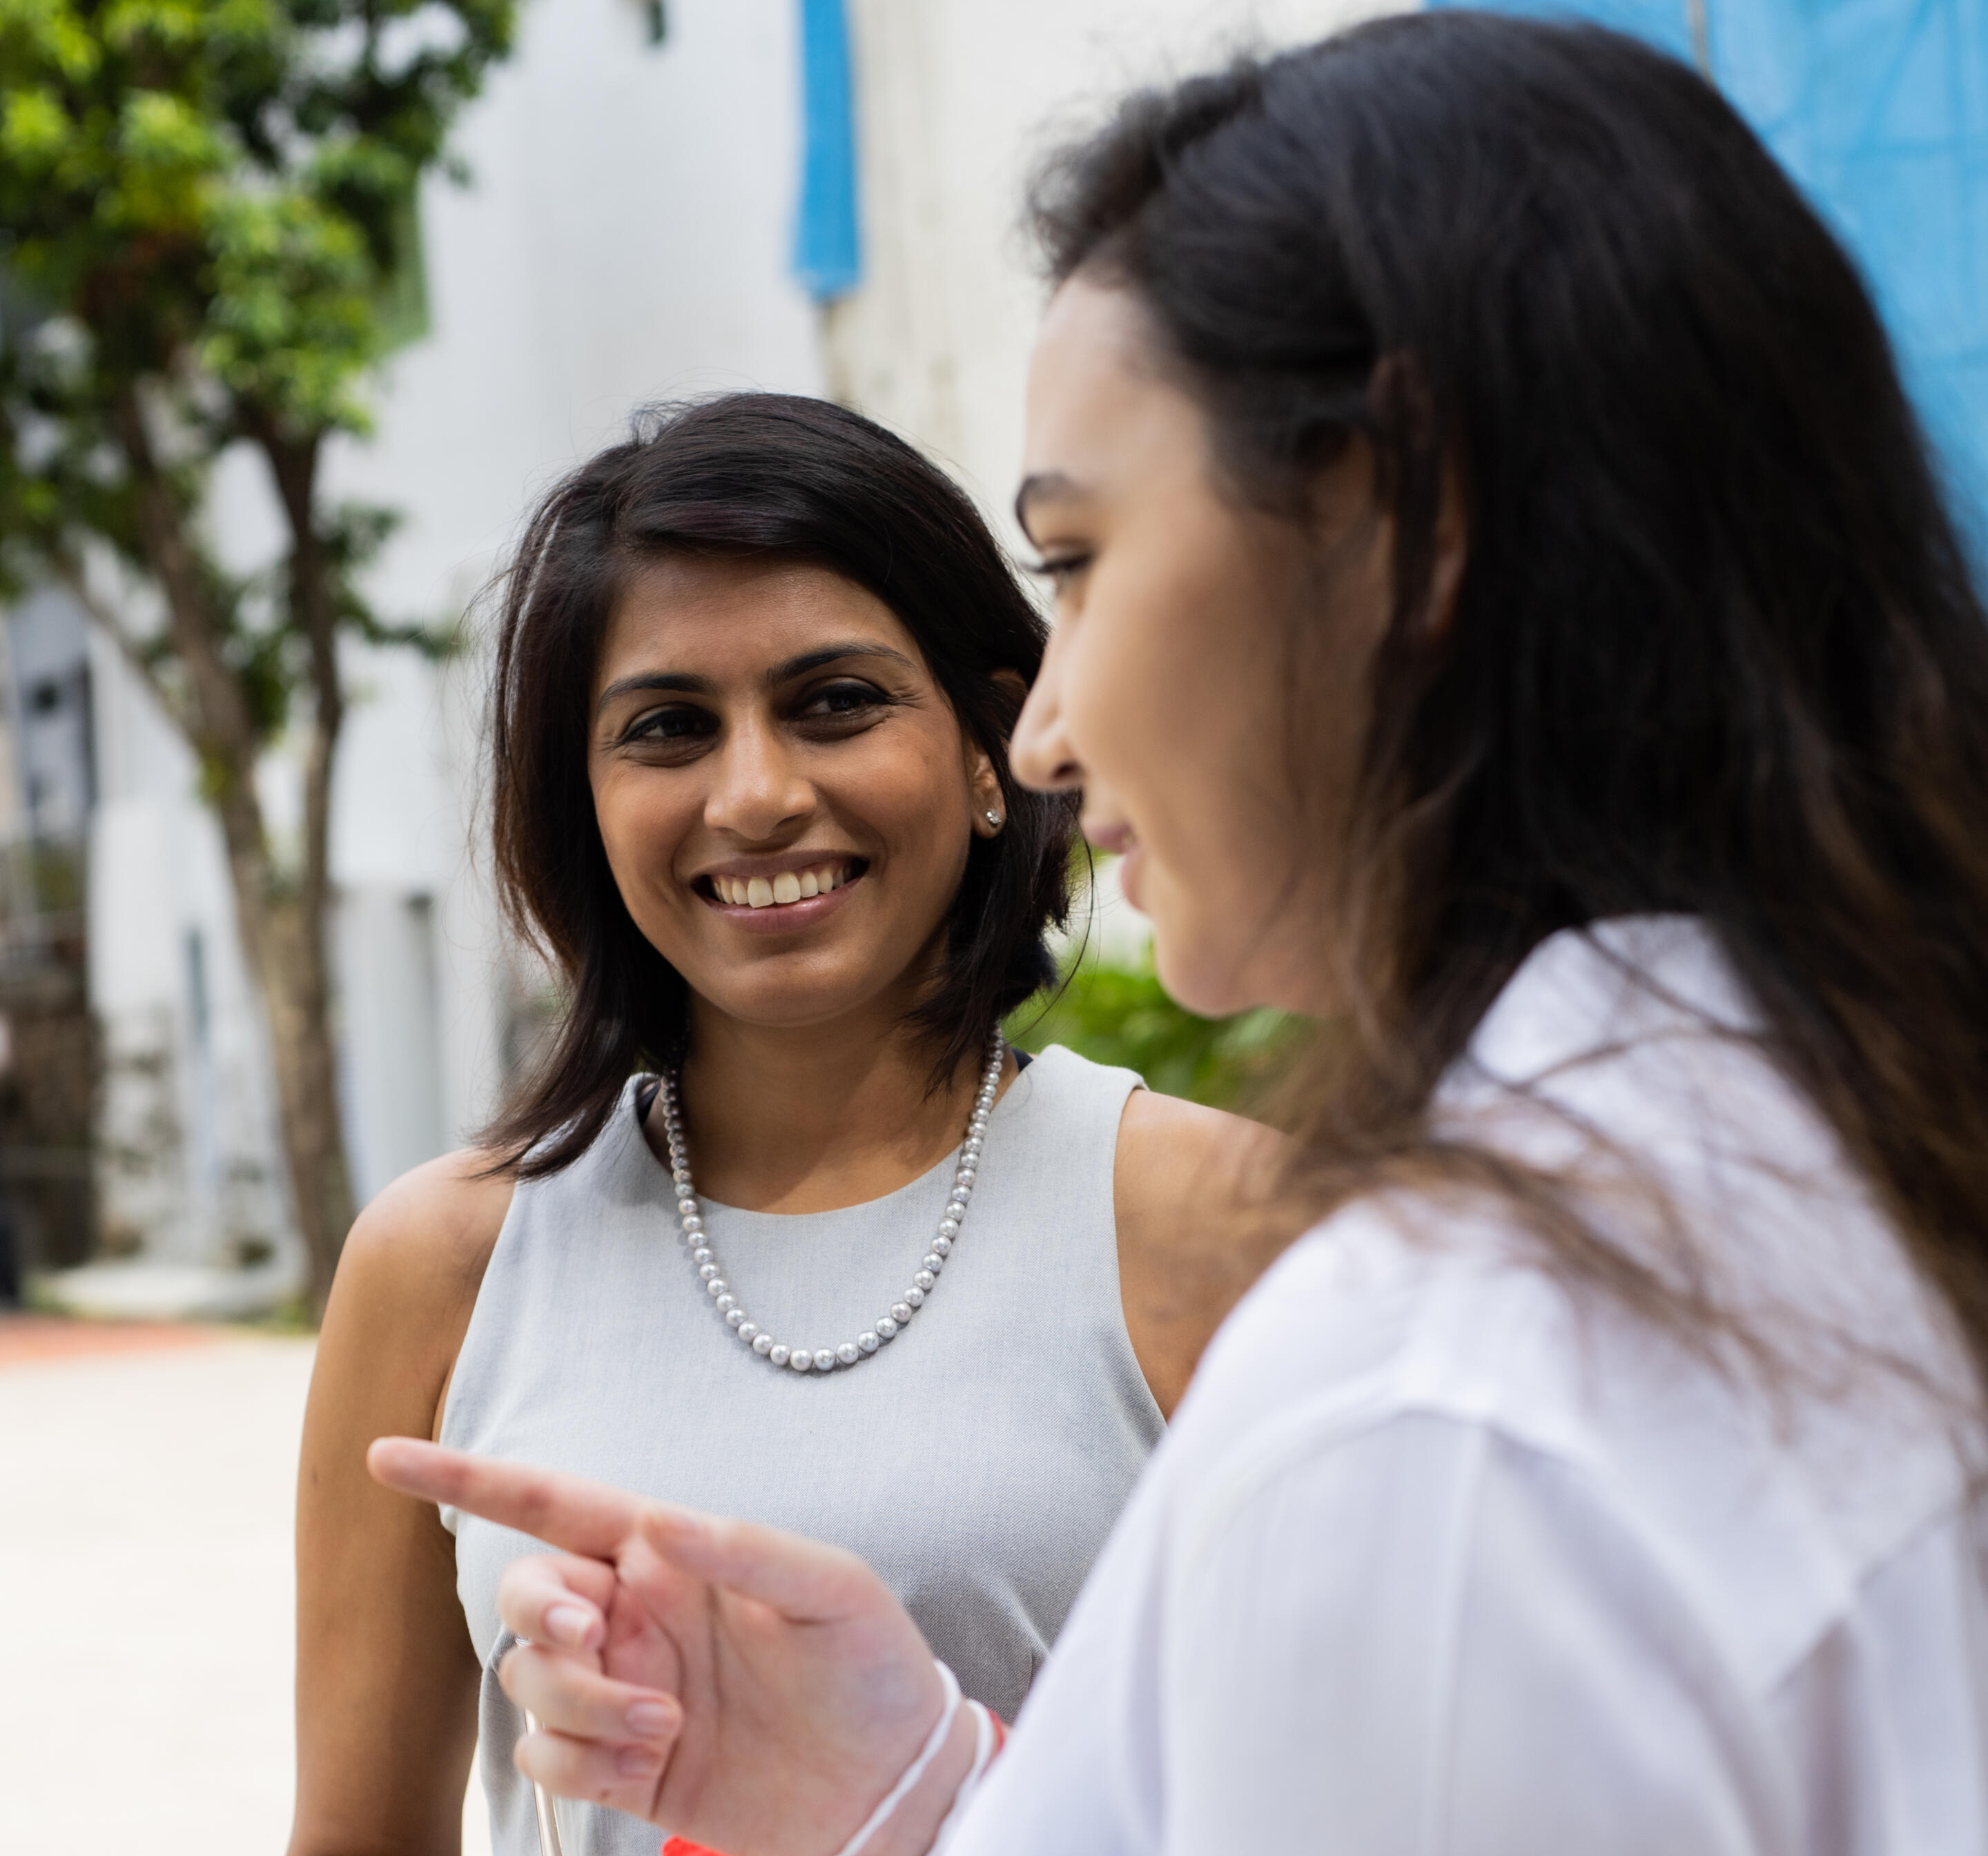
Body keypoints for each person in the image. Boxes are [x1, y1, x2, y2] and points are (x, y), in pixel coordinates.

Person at [372, 16, 1988, 1853]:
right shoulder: (1794, 1169)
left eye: (1079, 562)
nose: (1050, 730)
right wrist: (914, 1790)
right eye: (666, 727)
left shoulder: (1446, 1397)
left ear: (1396, 528)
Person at [293, 393, 1271, 1855]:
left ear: (994, 747)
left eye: (836, 702)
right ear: (584, 802)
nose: (756, 795)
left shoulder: (1222, 1221)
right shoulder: (440, 1265)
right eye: (668, 728)